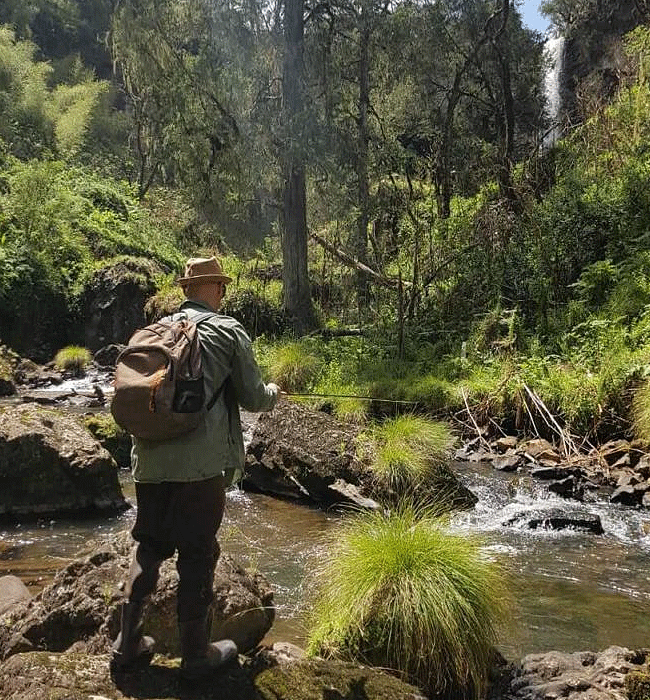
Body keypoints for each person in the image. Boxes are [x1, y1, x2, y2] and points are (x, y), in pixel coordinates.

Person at [111, 256, 279, 680]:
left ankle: (127, 643)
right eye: (221, 286)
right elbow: (255, 398)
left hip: (147, 462)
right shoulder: (228, 330)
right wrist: (276, 391)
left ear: (186, 288)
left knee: (149, 545)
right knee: (198, 553)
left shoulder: (154, 331)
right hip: (200, 468)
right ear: (216, 289)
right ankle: (195, 656)